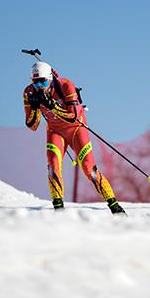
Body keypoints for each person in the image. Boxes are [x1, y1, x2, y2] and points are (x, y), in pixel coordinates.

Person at [23, 60, 125, 214]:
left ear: (50, 79)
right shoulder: (29, 92)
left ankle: (114, 205)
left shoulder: (65, 85)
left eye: (42, 82)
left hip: (77, 129)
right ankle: (58, 209)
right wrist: (36, 108)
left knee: (89, 169)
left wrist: (53, 106)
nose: (38, 86)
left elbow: (73, 117)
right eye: (35, 82)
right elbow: (33, 126)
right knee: (53, 166)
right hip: (55, 131)